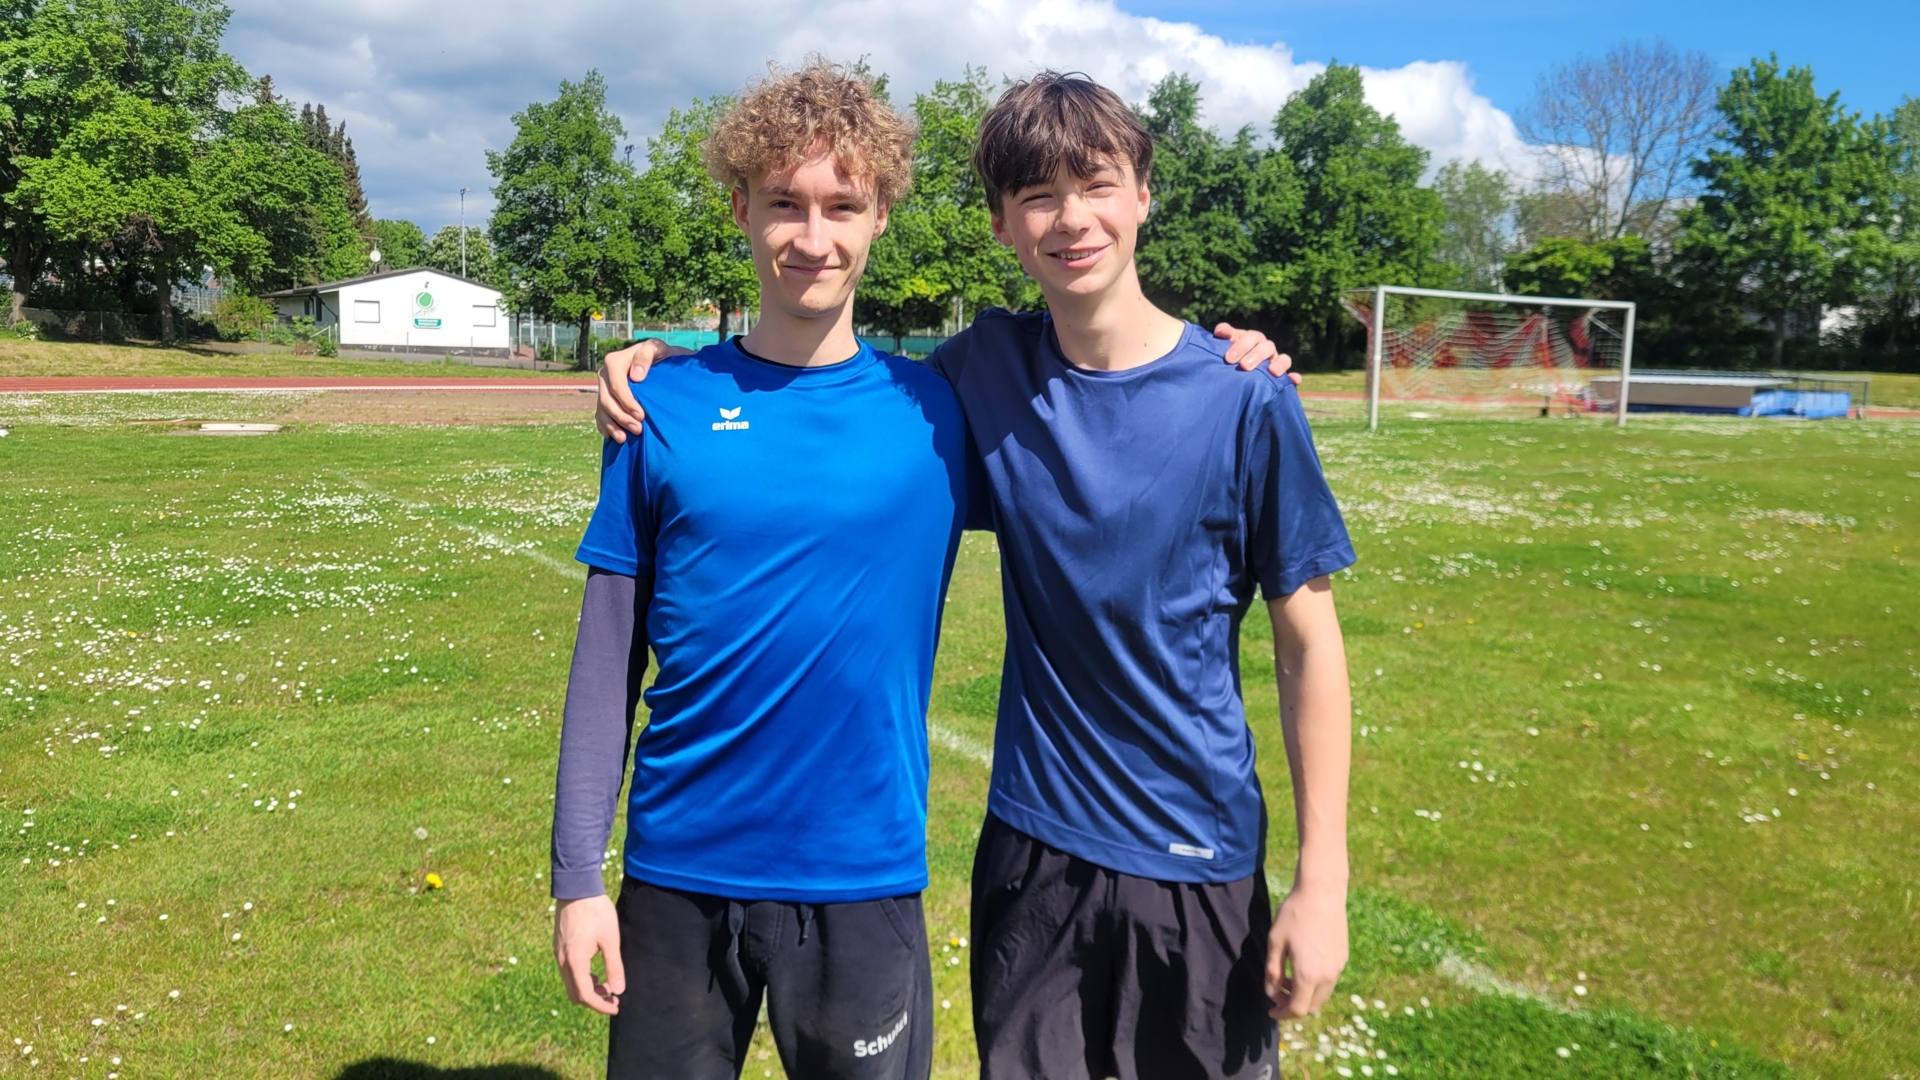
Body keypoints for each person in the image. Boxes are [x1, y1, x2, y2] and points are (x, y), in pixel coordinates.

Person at [597, 72, 1355, 1080]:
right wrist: (663, 360)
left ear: (1143, 196)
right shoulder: (979, 378)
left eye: (1097, 184)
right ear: (1002, 223)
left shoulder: (1246, 399)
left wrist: (1323, 880)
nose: (1071, 218)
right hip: (1032, 854)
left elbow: (1311, 647)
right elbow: (816, 380)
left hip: (1194, 861)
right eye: (1038, 195)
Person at [550, 61, 966, 1080]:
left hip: (862, 875)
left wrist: (1229, 356)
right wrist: (576, 876)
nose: (812, 237)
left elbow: (1098, 384)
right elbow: (608, 656)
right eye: (785, 203)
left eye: (842, 205)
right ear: (740, 207)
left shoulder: (941, 412)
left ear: (880, 217)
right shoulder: (660, 406)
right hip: (678, 875)